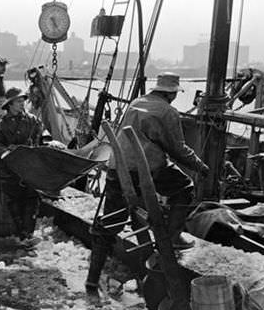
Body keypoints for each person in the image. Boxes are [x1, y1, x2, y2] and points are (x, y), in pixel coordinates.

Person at [85, 72, 210, 294]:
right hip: (147, 172)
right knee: (185, 188)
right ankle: (171, 239)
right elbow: (178, 149)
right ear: (172, 94)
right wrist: (200, 166)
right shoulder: (168, 111)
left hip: (117, 169)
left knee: (111, 223)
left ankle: (92, 280)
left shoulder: (136, 102)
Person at [0, 87, 44, 241]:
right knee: (15, 203)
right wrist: (8, 154)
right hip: (10, 171)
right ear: (9, 105)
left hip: (30, 170)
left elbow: (42, 137)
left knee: (32, 201)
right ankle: (21, 234)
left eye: (23, 101)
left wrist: (48, 143)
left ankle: (29, 235)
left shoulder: (33, 120)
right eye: (18, 101)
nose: (22, 104)